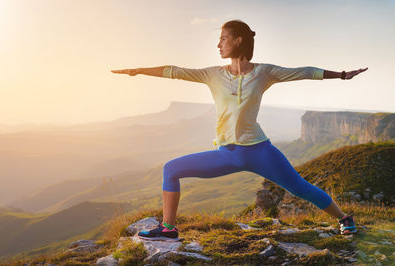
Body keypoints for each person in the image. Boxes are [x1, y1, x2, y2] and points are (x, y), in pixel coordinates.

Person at [111, 19, 368, 240]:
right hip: (227, 154)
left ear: (239, 40)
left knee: (300, 188)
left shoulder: (264, 72)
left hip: (260, 151)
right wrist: (139, 71)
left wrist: (342, 75)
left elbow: (304, 72)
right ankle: (168, 228)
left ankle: (344, 219)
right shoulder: (212, 74)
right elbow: (176, 72)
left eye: (223, 38)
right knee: (171, 169)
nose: (218, 44)